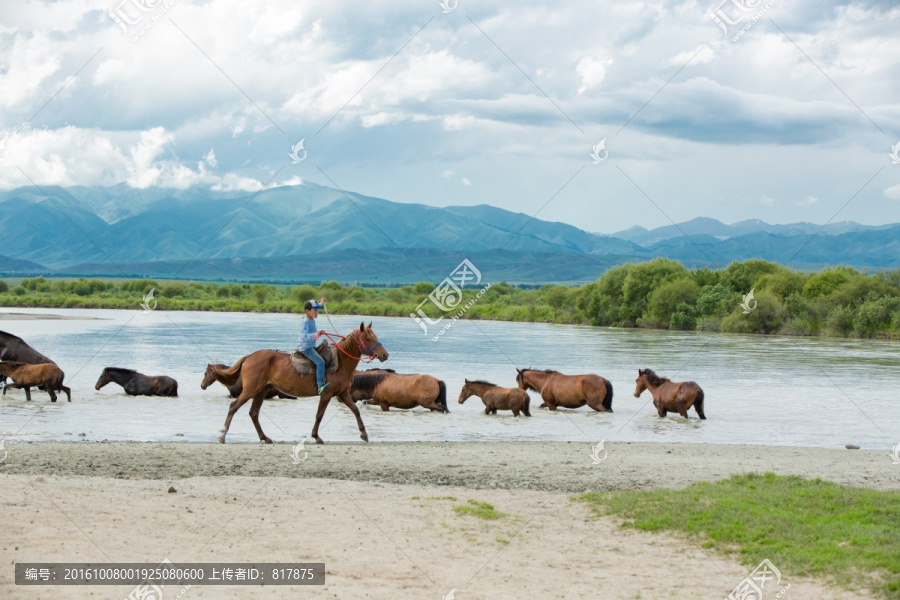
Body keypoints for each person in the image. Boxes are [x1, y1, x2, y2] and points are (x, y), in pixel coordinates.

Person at [298, 297, 330, 395]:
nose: (317, 312)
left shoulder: (310, 318)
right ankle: (320, 386)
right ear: (307, 311)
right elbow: (303, 336)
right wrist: (317, 334)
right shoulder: (306, 322)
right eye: (314, 310)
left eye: (317, 310)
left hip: (311, 346)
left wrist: (322, 302)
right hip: (306, 348)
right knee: (321, 362)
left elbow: (319, 306)